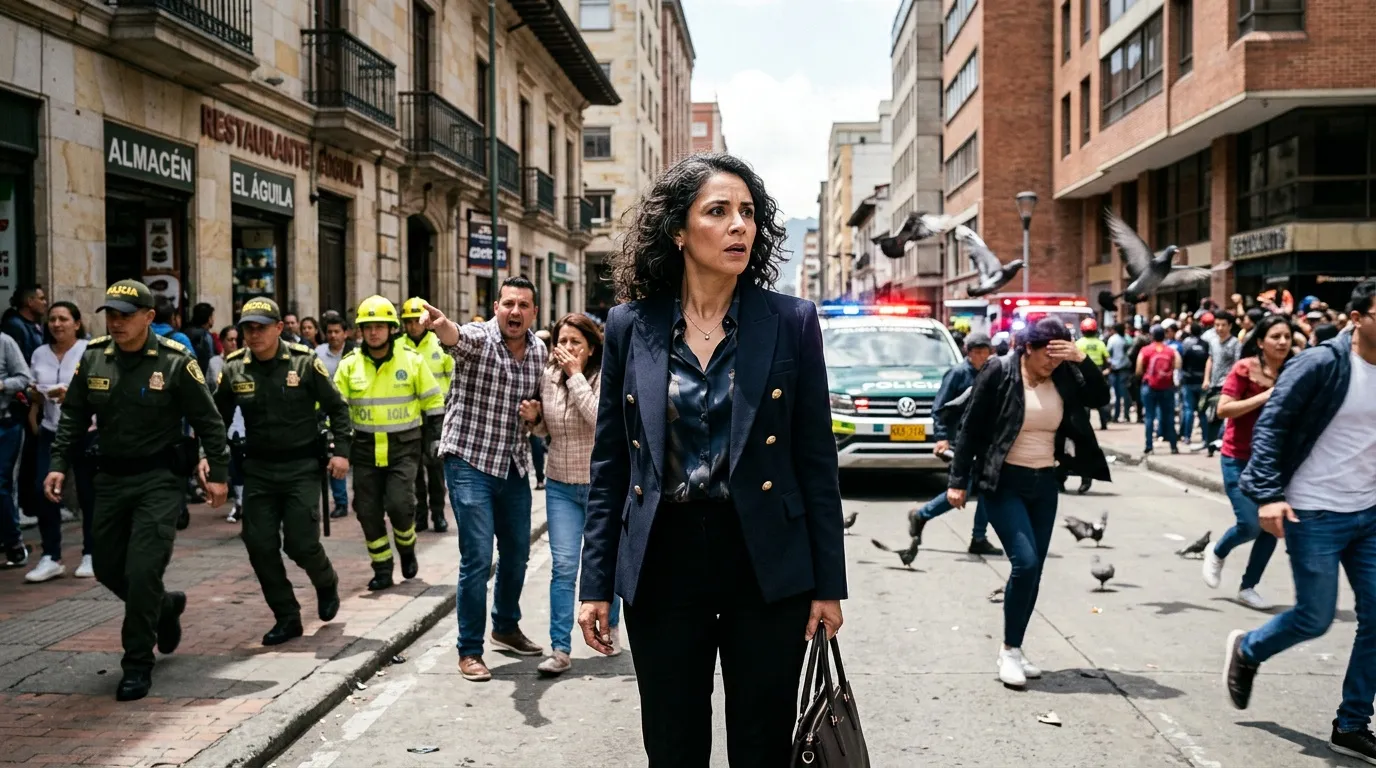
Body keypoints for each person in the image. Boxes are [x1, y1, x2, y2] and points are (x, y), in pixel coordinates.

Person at [577, 153, 847, 765]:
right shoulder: (629, 325)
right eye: (718, 212)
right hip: (663, 560)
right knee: (672, 744)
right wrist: (596, 584)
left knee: (761, 744)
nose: (738, 227)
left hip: (765, 562)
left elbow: (815, 463)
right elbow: (611, 466)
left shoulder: (791, 321)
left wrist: (828, 584)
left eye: (747, 214)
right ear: (678, 230)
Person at [43, 279, 229, 702]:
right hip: (109, 479)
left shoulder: (176, 360)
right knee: (109, 569)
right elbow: (72, 415)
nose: (116, 323)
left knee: (143, 570)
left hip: (159, 481)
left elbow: (209, 420)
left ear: (149, 318)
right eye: (110, 315)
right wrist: (57, 465)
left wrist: (217, 473)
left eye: (125, 316)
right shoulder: (93, 359)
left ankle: (137, 663)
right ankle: (164, 607)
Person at [1226, 280, 1376, 765]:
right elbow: (1273, 424)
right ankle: (1250, 648)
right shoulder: (1321, 363)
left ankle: (1352, 724)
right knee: (1315, 617)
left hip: (1369, 511)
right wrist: (1267, 496)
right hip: (1312, 509)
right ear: (1357, 317)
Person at [948, 317, 1110, 688]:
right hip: (1003, 482)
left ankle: (1016, 649)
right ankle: (1008, 651)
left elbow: (1100, 399)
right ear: (1028, 349)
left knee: (1033, 572)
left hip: (1045, 484)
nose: (1052, 364)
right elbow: (971, 427)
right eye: (1046, 357)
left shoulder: (1064, 375)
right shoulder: (1000, 371)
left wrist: (1081, 358)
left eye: (1059, 357)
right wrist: (957, 481)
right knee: (1026, 562)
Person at [411, 278, 548, 682]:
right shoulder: (479, 339)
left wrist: (534, 416)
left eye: (524, 305)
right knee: (477, 558)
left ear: (534, 313)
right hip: (469, 460)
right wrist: (440, 324)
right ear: (496, 307)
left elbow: (541, 413)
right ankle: (469, 649)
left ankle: (505, 626)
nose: (515, 311)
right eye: (508, 304)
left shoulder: (539, 351)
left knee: (518, 553)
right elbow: (456, 338)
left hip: (512, 463)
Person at [214, 298, 350, 646]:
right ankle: (287, 616)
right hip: (258, 468)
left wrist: (342, 453)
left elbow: (337, 407)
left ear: (278, 328)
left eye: (261, 327)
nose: (254, 334)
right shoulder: (233, 369)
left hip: (301, 467)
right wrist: (212, 460)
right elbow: (216, 419)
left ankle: (326, 581)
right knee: (258, 545)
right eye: (248, 328)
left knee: (301, 544)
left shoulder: (304, 363)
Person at [528, 313, 622, 675]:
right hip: (560, 486)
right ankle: (559, 648)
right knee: (564, 567)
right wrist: (533, 418)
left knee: (603, 562)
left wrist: (576, 376)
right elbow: (544, 431)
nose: (566, 349)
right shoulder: (548, 377)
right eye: (562, 342)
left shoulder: (602, 377)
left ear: (592, 347)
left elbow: (602, 422)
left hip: (601, 487)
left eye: (575, 343)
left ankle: (608, 625)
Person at [333, 296, 444, 591]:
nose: (373, 332)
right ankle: (382, 568)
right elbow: (337, 409)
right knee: (367, 511)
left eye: (380, 326)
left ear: (391, 328)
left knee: (400, 505)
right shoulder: (348, 366)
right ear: (360, 331)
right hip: (365, 450)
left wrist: (435, 437)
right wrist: (335, 446)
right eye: (368, 327)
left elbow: (433, 400)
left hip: (403, 448)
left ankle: (406, 549)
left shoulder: (411, 360)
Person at [1202, 314, 1294, 611]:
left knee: (1272, 525)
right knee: (1250, 524)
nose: (1282, 342)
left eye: (1287, 337)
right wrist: (1266, 396)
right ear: (1260, 342)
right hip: (1237, 458)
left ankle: (1248, 586)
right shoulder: (1245, 369)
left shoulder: (1295, 369)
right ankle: (1217, 550)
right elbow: (1223, 409)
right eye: (1275, 336)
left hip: (1274, 463)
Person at [908, 332, 1003, 555]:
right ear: (968, 353)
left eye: (984, 351)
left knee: (987, 490)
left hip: (987, 443)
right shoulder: (958, 374)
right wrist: (941, 437)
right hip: (961, 442)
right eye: (975, 352)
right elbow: (940, 408)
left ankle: (979, 537)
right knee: (962, 489)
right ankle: (922, 515)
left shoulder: (994, 373)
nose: (980, 356)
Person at [25, 302, 94, 582]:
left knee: (89, 494)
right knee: (43, 489)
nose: (56, 324)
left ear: (76, 324)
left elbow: (102, 389)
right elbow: (32, 388)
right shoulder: (40, 353)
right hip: (51, 430)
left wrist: (73, 396)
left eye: (63, 319)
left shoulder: (89, 351)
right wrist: (37, 396)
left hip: (86, 431)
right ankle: (51, 556)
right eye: (52, 319)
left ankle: (92, 552)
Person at [397, 298, 455, 533]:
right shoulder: (398, 346)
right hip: (410, 417)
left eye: (416, 321)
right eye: (408, 322)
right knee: (414, 470)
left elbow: (454, 377)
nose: (413, 326)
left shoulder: (440, 343)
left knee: (434, 467)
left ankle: (438, 513)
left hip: (436, 416)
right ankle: (420, 515)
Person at [0, 331, 33, 566]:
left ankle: (14, 543)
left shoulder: (4, 342)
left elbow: (24, 378)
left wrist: (2, 384)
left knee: (2, 484)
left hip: (6, 424)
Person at [316, 312, 353, 518]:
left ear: (345, 333)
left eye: (337, 332)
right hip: (329, 416)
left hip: (354, 415)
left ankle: (361, 498)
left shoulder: (354, 353)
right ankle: (340, 502)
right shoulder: (319, 353)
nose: (333, 336)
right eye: (329, 332)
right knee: (335, 456)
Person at [1201, 311, 1242, 456]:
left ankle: (1221, 445)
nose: (1219, 328)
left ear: (1230, 326)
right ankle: (1211, 444)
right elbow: (1210, 360)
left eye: (1223, 325)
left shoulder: (1235, 343)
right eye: (1217, 325)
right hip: (1213, 384)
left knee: (1223, 417)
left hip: (1227, 386)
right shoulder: (1213, 342)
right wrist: (1206, 379)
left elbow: (1238, 365)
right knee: (1210, 416)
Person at [1136, 325, 1180, 454]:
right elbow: (1177, 365)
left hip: (1149, 386)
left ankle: (1149, 446)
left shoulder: (1145, 350)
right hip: (1166, 387)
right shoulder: (1170, 351)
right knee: (1169, 417)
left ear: (1151, 336)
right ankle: (1173, 446)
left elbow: (1138, 369)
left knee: (1149, 416)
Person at [1178, 322, 1210, 446]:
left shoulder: (1186, 343)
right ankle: (1205, 438)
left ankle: (1187, 436)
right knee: (1202, 411)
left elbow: (1181, 361)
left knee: (1188, 410)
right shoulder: (1205, 344)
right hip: (1202, 381)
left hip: (1188, 381)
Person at [1076, 318, 1110, 431]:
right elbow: (1107, 359)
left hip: (1083, 374)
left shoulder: (1079, 343)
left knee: (1084, 399)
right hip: (1099, 373)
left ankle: (1086, 424)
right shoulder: (1100, 343)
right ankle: (1104, 423)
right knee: (1100, 399)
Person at [2, 284, 47, 362]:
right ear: (30, 301)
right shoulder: (15, 326)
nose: (45, 302)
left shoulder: (34, 324)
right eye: (41, 299)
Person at [1106, 323, 1132, 423]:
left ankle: (1116, 416)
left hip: (1114, 368)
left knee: (1116, 394)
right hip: (1125, 368)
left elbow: (1108, 352)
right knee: (1124, 393)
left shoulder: (1112, 339)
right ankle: (1126, 415)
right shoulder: (1128, 339)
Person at [184, 302, 216, 373]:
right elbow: (211, 359)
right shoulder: (206, 336)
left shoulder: (186, 332)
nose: (213, 319)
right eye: (212, 316)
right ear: (209, 318)